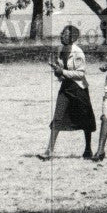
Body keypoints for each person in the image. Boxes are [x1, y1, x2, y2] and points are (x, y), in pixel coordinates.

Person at [38, 25, 96, 160]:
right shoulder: (61, 50)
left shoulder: (78, 52)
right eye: (62, 33)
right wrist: (56, 69)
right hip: (66, 87)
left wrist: (62, 71)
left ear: (72, 38)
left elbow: (81, 74)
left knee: (86, 119)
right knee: (57, 117)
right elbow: (62, 73)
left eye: (65, 34)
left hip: (79, 89)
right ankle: (49, 151)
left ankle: (88, 149)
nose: (62, 36)